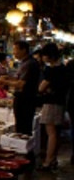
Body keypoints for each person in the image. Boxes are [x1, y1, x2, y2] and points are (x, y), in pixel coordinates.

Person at [0, 40, 40, 136]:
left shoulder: (29, 64)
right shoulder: (25, 63)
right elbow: (18, 78)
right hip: (24, 98)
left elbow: (21, 84)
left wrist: (4, 81)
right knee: (22, 125)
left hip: (25, 99)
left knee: (23, 127)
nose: (13, 52)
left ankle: (23, 148)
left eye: (15, 49)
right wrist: (7, 78)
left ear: (23, 50)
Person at [36, 43, 67, 171]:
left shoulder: (52, 70)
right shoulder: (63, 68)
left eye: (43, 54)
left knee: (51, 133)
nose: (42, 57)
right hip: (59, 102)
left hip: (51, 103)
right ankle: (53, 159)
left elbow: (41, 88)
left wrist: (42, 89)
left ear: (49, 55)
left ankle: (48, 162)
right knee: (56, 133)